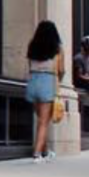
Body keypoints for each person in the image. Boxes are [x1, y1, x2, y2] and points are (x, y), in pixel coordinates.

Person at [24, 21, 64, 162]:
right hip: (47, 81)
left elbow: (29, 65)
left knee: (41, 119)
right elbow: (61, 70)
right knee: (43, 122)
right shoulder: (57, 48)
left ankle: (45, 151)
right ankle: (37, 153)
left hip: (33, 81)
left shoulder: (32, 45)